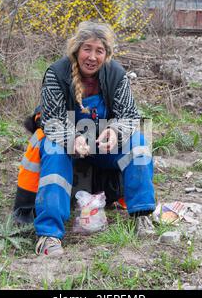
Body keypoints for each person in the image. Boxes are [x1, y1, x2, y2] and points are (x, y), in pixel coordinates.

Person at [13, 21, 155, 257]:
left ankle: (142, 216)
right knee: (54, 150)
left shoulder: (116, 74)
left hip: (102, 145)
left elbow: (130, 116)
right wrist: (73, 139)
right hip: (69, 144)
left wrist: (115, 132)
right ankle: (49, 234)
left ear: (106, 54)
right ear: (76, 50)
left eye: (99, 51)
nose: (92, 57)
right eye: (87, 49)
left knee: (139, 144)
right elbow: (51, 121)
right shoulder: (57, 74)